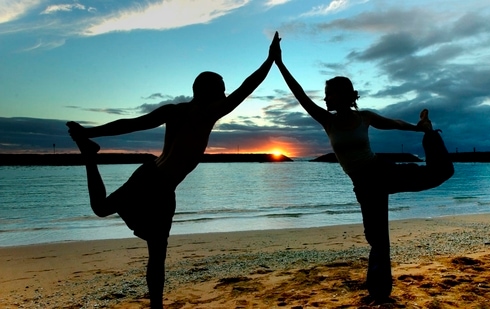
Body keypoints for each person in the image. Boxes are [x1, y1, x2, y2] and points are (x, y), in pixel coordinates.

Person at [66, 33, 279, 308]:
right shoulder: (206, 113)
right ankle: (156, 306)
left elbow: (130, 124)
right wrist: (270, 59)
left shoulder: (174, 110)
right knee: (155, 251)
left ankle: (89, 154)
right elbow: (246, 88)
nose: (225, 95)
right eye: (221, 89)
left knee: (105, 211)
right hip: (159, 185)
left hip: (148, 175)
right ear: (207, 91)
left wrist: (89, 131)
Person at [270, 32, 454, 303]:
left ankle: (431, 135)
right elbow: (299, 94)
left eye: (328, 95)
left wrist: (418, 128)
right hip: (364, 184)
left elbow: (392, 123)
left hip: (381, 170)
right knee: (377, 238)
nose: (324, 100)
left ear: (342, 95)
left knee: (440, 172)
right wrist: (279, 62)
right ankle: (379, 292)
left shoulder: (363, 117)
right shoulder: (326, 120)